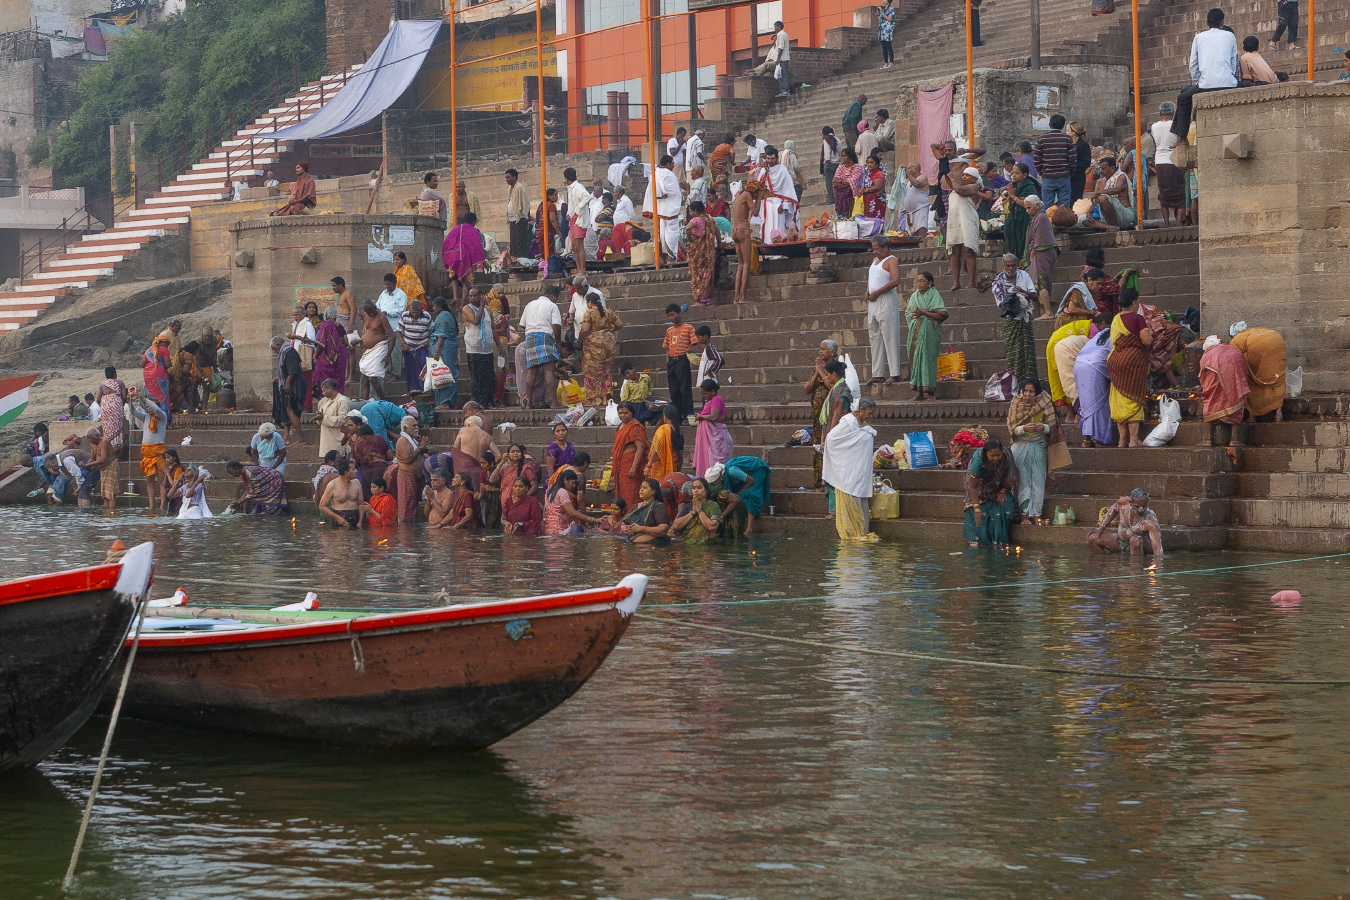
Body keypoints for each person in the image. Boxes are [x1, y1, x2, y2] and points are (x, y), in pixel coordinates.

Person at [1173, 8, 1239, 143]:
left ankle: (1181, 137)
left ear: (1206, 23)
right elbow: (1234, 62)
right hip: (1228, 83)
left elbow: (1193, 65)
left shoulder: (1198, 37)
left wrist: (1199, 82)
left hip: (1206, 85)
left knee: (1183, 99)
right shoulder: (1229, 36)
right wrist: (1229, 77)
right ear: (1222, 22)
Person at [1007, 378, 1066, 525]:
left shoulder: (1045, 401)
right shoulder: (1016, 402)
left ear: (1037, 392)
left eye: (1031, 391)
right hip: (1020, 447)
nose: (1028, 394)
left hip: (1039, 447)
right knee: (1023, 481)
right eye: (1025, 391)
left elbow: (1053, 426)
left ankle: (1036, 514)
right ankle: (1024, 515)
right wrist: (1023, 429)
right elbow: (1011, 428)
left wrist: (1043, 428)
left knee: (1038, 481)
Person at [822, 397, 879, 541]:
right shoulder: (848, 422)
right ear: (861, 410)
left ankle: (861, 535)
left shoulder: (862, 424)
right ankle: (853, 537)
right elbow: (831, 439)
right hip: (849, 474)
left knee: (862, 504)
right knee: (853, 501)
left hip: (861, 473)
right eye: (869, 413)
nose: (870, 417)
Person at [1107, 291, 1154, 447]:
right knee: (1133, 397)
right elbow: (1145, 340)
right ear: (1134, 303)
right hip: (1132, 362)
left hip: (1114, 361)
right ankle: (1134, 440)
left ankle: (1122, 440)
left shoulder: (1115, 319)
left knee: (1120, 399)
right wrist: (1152, 337)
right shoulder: (1137, 318)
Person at [862, 236, 903, 385]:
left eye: (877, 249)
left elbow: (895, 280)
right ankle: (878, 373)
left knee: (889, 335)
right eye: (874, 248)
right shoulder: (874, 261)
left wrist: (877, 292)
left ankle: (895, 373)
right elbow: (871, 279)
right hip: (873, 302)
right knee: (875, 336)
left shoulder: (892, 260)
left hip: (886, 300)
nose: (875, 251)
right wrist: (868, 291)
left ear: (886, 247)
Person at [963, 438, 1018, 548]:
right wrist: (977, 508)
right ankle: (979, 544)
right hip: (979, 490)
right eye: (992, 456)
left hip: (999, 486)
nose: (996, 458)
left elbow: (1013, 475)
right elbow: (973, 487)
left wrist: (1002, 490)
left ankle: (999, 542)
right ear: (985, 453)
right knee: (977, 515)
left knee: (1004, 507)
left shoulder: (1006, 454)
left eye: (998, 455)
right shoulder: (978, 460)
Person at [991, 253, 1038, 382]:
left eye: (1013, 265)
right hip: (1011, 320)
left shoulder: (1024, 275)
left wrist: (1023, 292)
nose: (1011, 268)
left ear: (1017, 265)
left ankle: (1029, 383)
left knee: (1028, 352)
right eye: (1008, 266)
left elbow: (1034, 295)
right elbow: (1000, 303)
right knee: (1013, 352)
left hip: (1025, 318)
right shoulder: (998, 282)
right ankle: (1015, 383)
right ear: (1003, 266)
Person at [1197, 334, 1251, 446]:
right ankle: (1234, 440)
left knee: (1210, 400)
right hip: (1233, 373)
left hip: (1215, 375)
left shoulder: (1207, 354)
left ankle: (1207, 440)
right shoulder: (1230, 349)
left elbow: (1202, 374)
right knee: (1236, 397)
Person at [1229, 322, 1287, 421]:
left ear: (1232, 335)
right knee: (1277, 377)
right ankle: (1278, 413)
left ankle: (1252, 414)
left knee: (1250, 379)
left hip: (1259, 347)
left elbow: (1234, 361)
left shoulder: (1237, 339)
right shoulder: (1254, 332)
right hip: (1276, 338)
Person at [906, 271, 948, 401]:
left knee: (928, 361)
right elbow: (908, 314)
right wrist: (915, 315)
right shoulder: (914, 296)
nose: (919, 283)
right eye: (918, 280)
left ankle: (930, 393)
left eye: (922, 281)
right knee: (917, 361)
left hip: (930, 332)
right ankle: (919, 392)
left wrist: (924, 313)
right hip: (916, 333)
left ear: (930, 283)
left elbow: (941, 315)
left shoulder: (935, 295)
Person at [803, 340, 840, 488]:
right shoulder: (818, 367)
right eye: (819, 349)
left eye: (823, 349)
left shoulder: (835, 368)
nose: (820, 352)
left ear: (831, 352)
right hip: (818, 417)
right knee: (817, 446)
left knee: (829, 445)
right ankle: (818, 482)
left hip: (831, 416)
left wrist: (821, 371)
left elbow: (833, 386)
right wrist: (816, 371)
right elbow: (807, 389)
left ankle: (830, 482)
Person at [520, 283, 563, 409]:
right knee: (548, 370)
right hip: (545, 336)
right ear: (553, 296)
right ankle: (554, 402)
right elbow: (557, 326)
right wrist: (558, 342)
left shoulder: (529, 304)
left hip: (530, 337)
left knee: (532, 372)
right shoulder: (552, 305)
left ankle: (529, 403)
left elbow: (522, 325)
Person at [943, 166, 985, 290]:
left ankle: (971, 281)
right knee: (955, 252)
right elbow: (948, 181)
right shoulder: (955, 186)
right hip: (955, 221)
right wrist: (946, 168)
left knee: (968, 251)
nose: (964, 177)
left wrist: (952, 177)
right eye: (964, 175)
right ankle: (956, 282)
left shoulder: (973, 187)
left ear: (974, 178)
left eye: (967, 175)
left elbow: (960, 190)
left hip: (968, 220)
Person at [578, 291, 622, 406]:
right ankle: (604, 399)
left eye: (587, 302)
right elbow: (619, 325)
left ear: (590, 302)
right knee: (605, 371)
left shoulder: (589, 313)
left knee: (590, 371)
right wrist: (608, 331)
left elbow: (585, 329)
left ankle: (592, 400)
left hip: (594, 345)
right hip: (609, 343)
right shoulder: (609, 312)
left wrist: (579, 340)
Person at [1089, 488, 1164, 555]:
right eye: (1137, 506)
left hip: (1140, 546)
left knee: (1135, 540)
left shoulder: (1150, 519)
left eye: (1144, 506)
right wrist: (1101, 527)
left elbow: (1158, 549)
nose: (1141, 509)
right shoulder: (1123, 503)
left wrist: (1157, 565)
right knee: (1092, 538)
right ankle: (1103, 564)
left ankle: (1135, 568)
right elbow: (1114, 508)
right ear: (1130, 503)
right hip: (1121, 542)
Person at [1150, 102, 1185, 226]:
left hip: (1160, 162)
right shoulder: (1176, 124)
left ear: (1160, 113)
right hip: (1174, 160)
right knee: (1179, 193)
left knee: (1164, 193)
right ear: (1173, 113)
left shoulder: (1154, 126)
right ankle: (1179, 222)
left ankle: (1166, 223)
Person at [643, 155, 683, 260]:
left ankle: (662, 260)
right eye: (673, 163)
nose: (674, 165)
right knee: (672, 235)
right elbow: (675, 193)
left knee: (661, 235)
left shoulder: (655, 174)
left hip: (660, 210)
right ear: (668, 164)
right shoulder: (670, 175)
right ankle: (670, 259)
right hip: (670, 210)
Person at [692, 378, 734, 476]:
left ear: (713, 391)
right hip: (711, 435)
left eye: (705, 393)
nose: (704, 396)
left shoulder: (716, 399)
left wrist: (701, 416)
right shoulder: (711, 400)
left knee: (716, 465)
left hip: (717, 435)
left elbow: (714, 417)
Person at [720, 455, 770, 537]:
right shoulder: (725, 474)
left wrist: (740, 493)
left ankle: (749, 528)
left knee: (751, 494)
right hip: (748, 473)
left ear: (720, 477)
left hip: (758, 468)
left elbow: (751, 481)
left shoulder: (732, 471)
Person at [731, 180, 763, 305]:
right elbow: (755, 212)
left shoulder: (738, 196)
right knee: (746, 265)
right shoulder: (747, 195)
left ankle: (736, 298)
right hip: (743, 231)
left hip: (735, 231)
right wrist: (759, 198)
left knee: (740, 265)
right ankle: (743, 297)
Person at [611, 401, 649, 508]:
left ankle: (632, 518)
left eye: (625, 413)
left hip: (631, 467)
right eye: (620, 413)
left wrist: (634, 466)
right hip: (621, 466)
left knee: (631, 493)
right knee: (622, 493)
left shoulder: (635, 426)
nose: (622, 415)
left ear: (632, 413)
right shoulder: (621, 426)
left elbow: (641, 447)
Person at [683, 200, 721, 305]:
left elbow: (687, 229)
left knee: (697, 275)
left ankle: (700, 299)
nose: (690, 214)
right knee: (708, 274)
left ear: (695, 211)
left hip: (698, 252)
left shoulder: (696, 220)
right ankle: (708, 299)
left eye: (691, 212)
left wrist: (690, 239)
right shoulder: (711, 219)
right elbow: (717, 232)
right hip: (709, 251)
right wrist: (720, 244)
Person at [443, 213, 486, 305]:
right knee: (465, 282)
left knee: (453, 278)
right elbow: (477, 247)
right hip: (465, 258)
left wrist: (448, 255)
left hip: (453, 256)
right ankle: (462, 304)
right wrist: (483, 261)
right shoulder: (474, 231)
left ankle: (455, 297)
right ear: (474, 222)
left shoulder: (455, 229)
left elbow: (446, 241)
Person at [1033, 115, 1075, 208]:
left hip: (1048, 176)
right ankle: (1062, 222)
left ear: (1049, 125)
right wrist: (1070, 172)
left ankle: (1047, 222)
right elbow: (1073, 159)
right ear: (1062, 126)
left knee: (1047, 205)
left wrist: (1041, 172)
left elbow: (1036, 159)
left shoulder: (1042, 139)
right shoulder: (1067, 139)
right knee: (1064, 206)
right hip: (1064, 176)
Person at [426, 295, 459, 410]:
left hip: (444, 349)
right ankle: (442, 401)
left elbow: (442, 335)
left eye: (434, 307)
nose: (433, 309)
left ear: (440, 307)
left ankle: (446, 402)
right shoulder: (444, 315)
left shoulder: (445, 316)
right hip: (442, 348)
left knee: (445, 373)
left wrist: (436, 350)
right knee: (439, 374)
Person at [543, 469, 600, 535]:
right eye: (573, 483)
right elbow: (572, 513)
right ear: (565, 480)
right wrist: (593, 520)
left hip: (548, 527)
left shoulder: (550, 489)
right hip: (559, 529)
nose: (574, 486)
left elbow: (545, 510)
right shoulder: (562, 492)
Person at [357, 301, 393, 401]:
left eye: (372, 311)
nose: (370, 314)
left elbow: (392, 336)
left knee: (373, 378)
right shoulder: (366, 315)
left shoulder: (381, 317)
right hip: (368, 351)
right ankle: (364, 404)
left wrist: (388, 355)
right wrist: (361, 341)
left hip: (380, 348)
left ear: (375, 308)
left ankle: (383, 401)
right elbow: (368, 333)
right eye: (368, 312)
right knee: (365, 378)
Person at [618, 478, 672, 544]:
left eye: (645, 488)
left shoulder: (659, 507)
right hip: (633, 545)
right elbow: (624, 523)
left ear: (653, 491)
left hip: (653, 547)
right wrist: (624, 528)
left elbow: (664, 529)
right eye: (641, 488)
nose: (641, 490)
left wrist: (641, 528)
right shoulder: (636, 506)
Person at [310, 307, 348, 400]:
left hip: (326, 357)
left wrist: (315, 356)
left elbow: (320, 343)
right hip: (341, 355)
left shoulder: (325, 325)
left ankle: (325, 399)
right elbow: (346, 342)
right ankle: (339, 399)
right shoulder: (340, 326)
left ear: (325, 316)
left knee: (324, 378)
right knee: (339, 379)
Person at [399, 298, 433, 397]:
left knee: (423, 363)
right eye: (413, 312)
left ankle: (424, 388)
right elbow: (399, 331)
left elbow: (431, 330)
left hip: (422, 345)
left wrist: (428, 341)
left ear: (421, 310)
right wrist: (403, 344)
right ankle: (413, 390)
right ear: (410, 310)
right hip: (408, 346)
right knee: (410, 368)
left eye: (417, 312)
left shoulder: (426, 316)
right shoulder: (404, 315)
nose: (415, 315)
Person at [320, 459, 364, 527]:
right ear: (346, 473)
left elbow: (361, 505)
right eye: (353, 469)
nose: (356, 471)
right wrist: (337, 518)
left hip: (355, 518)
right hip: (338, 520)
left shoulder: (357, 483)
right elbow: (322, 506)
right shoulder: (332, 485)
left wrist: (360, 522)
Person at [315, 379, 353, 458]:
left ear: (330, 388)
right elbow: (321, 417)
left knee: (338, 464)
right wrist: (319, 418)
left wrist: (324, 418)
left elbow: (342, 420)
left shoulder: (342, 401)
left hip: (338, 440)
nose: (323, 393)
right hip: (327, 439)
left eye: (324, 390)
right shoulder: (325, 401)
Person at [646, 405, 685, 481]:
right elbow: (681, 454)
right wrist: (678, 469)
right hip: (674, 466)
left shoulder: (663, 429)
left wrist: (648, 465)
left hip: (660, 467)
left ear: (665, 416)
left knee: (658, 488)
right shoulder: (680, 433)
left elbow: (656, 449)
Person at [501, 169, 532, 257]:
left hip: (520, 218)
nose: (506, 179)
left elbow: (526, 203)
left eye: (508, 177)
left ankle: (521, 260)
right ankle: (515, 259)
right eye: (505, 178)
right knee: (513, 241)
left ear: (514, 177)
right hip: (512, 219)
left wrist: (526, 217)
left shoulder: (519, 187)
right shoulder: (510, 188)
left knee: (520, 241)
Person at [832, 148, 865, 218]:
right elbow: (834, 182)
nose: (843, 158)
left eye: (845, 156)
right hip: (841, 196)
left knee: (851, 216)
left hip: (852, 196)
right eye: (842, 156)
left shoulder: (858, 167)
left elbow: (854, 181)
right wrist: (846, 183)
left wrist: (841, 182)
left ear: (851, 156)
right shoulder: (840, 168)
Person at [1068, 122, 1092, 203]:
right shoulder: (1069, 144)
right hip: (1068, 178)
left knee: (1075, 201)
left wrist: (1072, 166)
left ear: (1074, 132)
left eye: (1068, 130)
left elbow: (1086, 162)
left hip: (1077, 178)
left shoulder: (1083, 145)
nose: (1066, 133)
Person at [877, 0, 896, 67]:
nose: (883, 1)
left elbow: (889, 19)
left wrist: (882, 13)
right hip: (881, 30)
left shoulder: (891, 9)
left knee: (888, 46)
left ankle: (891, 62)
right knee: (884, 47)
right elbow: (880, 19)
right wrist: (879, 13)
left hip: (888, 30)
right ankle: (885, 62)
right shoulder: (882, 9)